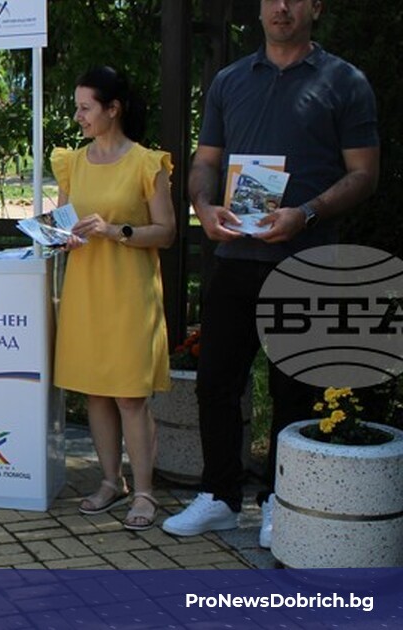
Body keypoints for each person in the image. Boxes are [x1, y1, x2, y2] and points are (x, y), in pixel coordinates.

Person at [163, 0, 379, 548]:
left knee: (295, 392)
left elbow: (364, 173)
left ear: (316, 7)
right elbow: (205, 160)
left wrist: (305, 214)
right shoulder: (229, 81)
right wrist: (204, 206)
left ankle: (279, 504)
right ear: (258, 9)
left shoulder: (344, 82)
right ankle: (218, 497)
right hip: (234, 260)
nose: (282, 7)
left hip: (307, 262)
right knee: (215, 383)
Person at [51, 66, 175, 531]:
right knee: (96, 392)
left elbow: (166, 232)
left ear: (113, 109)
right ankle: (110, 481)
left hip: (129, 295)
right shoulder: (72, 162)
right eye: (77, 107)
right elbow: (63, 222)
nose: (78, 116)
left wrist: (115, 231)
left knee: (129, 397)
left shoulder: (147, 163)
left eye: (85, 107)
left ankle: (144, 492)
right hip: (85, 291)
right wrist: (63, 237)